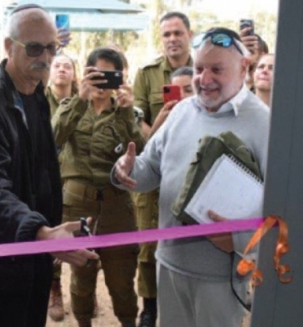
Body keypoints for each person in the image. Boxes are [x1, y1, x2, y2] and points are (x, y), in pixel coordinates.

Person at [112, 27, 270, 327]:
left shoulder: (264, 124)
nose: (204, 79)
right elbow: (150, 170)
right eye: (199, 69)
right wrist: (126, 170)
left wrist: (239, 240)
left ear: (244, 68)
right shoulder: (182, 111)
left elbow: (281, 209)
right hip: (169, 265)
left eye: (216, 70)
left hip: (221, 277)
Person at [0, 5, 98, 327]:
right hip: (1, 251)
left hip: (33, 245)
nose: (45, 57)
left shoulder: (33, 94)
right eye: (34, 48)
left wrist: (45, 231)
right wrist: (38, 230)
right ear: (9, 47)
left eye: (52, 47)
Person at [52, 47, 144, 327]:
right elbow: (53, 136)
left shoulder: (128, 113)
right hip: (78, 207)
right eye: (97, 74)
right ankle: (83, 322)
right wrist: (80, 98)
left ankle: (128, 321)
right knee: (82, 278)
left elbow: (140, 156)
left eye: (110, 76)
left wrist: (127, 114)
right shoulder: (70, 106)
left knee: (122, 280)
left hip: (117, 208)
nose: (103, 83)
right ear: (87, 74)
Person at [132, 11, 193, 327]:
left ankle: (183, 301)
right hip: (154, 172)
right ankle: (150, 307)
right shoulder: (147, 73)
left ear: (189, 35)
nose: (172, 39)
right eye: (166, 34)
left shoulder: (205, 71)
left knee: (191, 240)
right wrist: (157, 129)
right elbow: (136, 119)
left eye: (177, 33)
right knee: (148, 244)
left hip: (195, 171)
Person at [45, 52, 79, 322]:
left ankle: (82, 294)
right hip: (47, 177)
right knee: (53, 229)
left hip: (75, 177)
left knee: (81, 233)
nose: (62, 70)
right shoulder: (37, 98)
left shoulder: (85, 98)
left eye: (68, 66)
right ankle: (54, 290)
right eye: (57, 65)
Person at [148, 66, 194, 137]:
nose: (181, 95)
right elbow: (151, 145)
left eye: (188, 89)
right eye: (176, 91)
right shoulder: (167, 118)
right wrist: (157, 126)